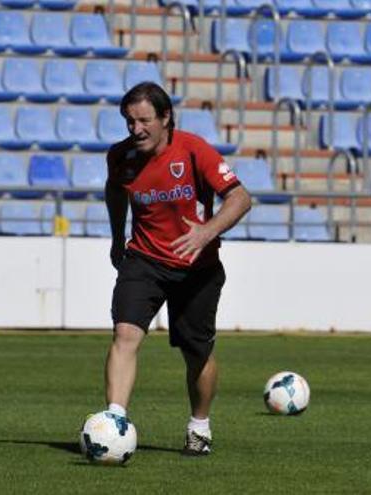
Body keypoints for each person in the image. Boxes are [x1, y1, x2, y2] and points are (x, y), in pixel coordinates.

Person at [103, 82, 252, 456]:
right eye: (129, 121)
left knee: (195, 350)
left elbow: (240, 198)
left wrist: (206, 232)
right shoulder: (121, 156)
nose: (136, 130)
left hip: (196, 267)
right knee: (125, 333)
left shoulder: (193, 150)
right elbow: (115, 191)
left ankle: (199, 426)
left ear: (165, 117)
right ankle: (114, 422)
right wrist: (118, 237)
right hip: (144, 260)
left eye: (144, 120)